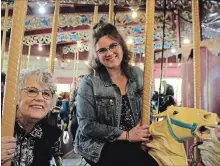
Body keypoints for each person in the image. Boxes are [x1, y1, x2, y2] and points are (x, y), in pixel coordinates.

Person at [74, 22, 158, 166]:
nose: (109, 53)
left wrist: (144, 135)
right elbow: (87, 126)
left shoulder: (137, 74)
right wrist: (126, 135)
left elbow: (146, 109)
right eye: (102, 50)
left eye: (113, 46)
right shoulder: (89, 82)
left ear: (121, 45)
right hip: (99, 144)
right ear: (96, 55)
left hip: (132, 140)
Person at [1, 69, 62, 166]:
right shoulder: (3, 125)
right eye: (32, 91)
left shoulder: (51, 133)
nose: (40, 98)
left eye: (46, 93)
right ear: (17, 95)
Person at [70, 75, 84, 143]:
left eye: (81, 81)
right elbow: (71, 102)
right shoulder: (76, 91)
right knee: (73, 125)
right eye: (79, 81)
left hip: (86, 112)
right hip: (77, 112)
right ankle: (74, 140)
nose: (80, 82)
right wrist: (74, 103)